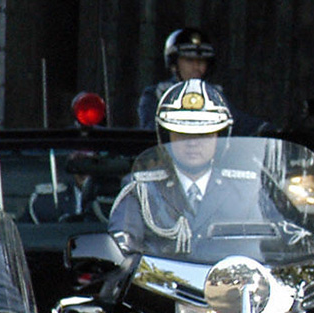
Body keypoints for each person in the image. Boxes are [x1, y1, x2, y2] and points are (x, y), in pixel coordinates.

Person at [110, 79, 280, 260]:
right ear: (167, 137)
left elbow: (279, 244)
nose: (193, 143)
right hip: (160, 287)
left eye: (204, 134)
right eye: (182, 134)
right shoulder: (141, 190)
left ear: (220, 137)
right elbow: (121, 254)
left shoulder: (248, 190)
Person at [136, 27, 269, 135]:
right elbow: (153, 135)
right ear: (174, 64)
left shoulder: (215, 97)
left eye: (201, 61)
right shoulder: (157, 96)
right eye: (189, 60)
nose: (196, 67)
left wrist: (265, 129)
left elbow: (239, 122)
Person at [28, 152, 104, 223]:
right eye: (78, 162)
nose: (83, 170)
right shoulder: (46, 201)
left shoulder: (111, 198)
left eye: (90, 162)